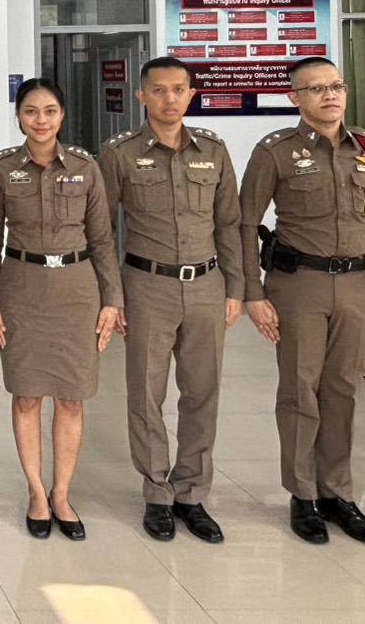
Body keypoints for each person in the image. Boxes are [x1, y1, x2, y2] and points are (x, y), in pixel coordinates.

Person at [240, 56, 365, 545]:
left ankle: (337, 494)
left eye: (337, 86)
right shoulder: (276, 151)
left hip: (357, 286)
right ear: (295, 98)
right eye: (316, 88)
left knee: (341, 391)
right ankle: (303, 495)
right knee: (299, 390)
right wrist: (252, 293)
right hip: (299, 285)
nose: (330, 95)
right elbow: (245, 223)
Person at [98, 57, 242, 544]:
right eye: (158, 90)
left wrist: (236, 288)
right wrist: (112, 295)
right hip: (146, 285)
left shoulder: (213, 150)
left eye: (179, 89)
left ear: (192, 94)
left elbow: (229, 224)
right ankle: (157, 492)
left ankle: (192, 493)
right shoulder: (119, 153)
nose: (169, 99)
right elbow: (101, 230)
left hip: (206, 286)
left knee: (202, 392)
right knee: (146, 393)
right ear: (142, 97)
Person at [0, 77, 122, 541]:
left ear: (62, 115)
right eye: (31, 111)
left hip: (76, 290)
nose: (41, 120)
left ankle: (62, 494)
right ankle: (36, 493)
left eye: (50, 111)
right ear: (18, 117)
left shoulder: (85, 167)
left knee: (70, 396)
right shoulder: (2, 169)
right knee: (26, 395)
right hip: (22, 288)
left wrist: (112, 299)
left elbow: (103, 239)